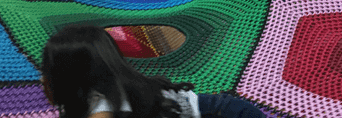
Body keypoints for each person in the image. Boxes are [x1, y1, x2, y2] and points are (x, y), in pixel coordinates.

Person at [41, 25, 265, 118]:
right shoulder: (104, 95)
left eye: (47, 70)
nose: (42, 79)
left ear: (68, 77)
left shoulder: (104, 106)